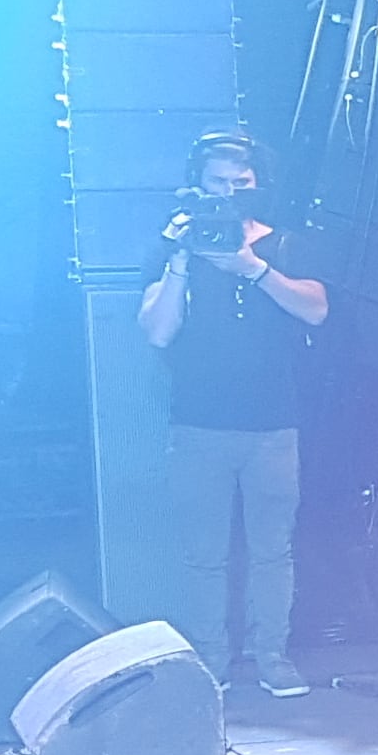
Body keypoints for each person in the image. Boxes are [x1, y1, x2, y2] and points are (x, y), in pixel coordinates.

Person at [138, 129, 327, 697]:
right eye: (216, 183)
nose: (227, 193)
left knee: (274, 551)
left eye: (239, 183)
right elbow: (157, 330)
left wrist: (252, 268)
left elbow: (317, 310)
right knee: (204, 556)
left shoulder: (287, 245)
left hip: (273, 426)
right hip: (198, 426)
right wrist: (179, 258)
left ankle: (273, 656)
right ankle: (211, 660)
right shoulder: (176, 248)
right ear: (196, 184)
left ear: (258, 185)